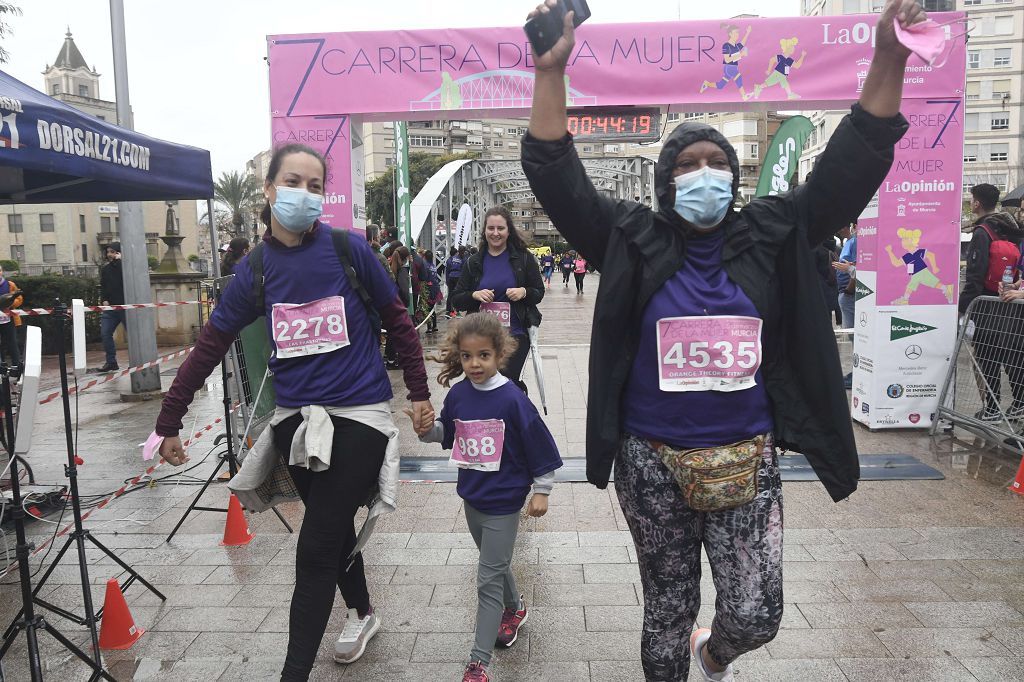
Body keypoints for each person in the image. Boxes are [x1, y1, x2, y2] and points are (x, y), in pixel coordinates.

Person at [521, 0, 922, 679]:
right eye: (686, 163)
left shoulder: (772, 230)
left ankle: (716, 653)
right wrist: (550, 72)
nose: (703, 173)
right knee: (666, 614)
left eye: (716, 162)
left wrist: (890, 56)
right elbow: (555, 172)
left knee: (758, 613)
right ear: (664, 178)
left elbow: (855, 159)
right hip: (651, 462)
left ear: (733, 177)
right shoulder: (629, 235)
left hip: (747, 460)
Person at [151, 143, 435, 680]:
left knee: (316, 544)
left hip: (361, 414)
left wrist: (418, 392)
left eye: (315, 186)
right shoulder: (255, 269)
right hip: (297, 423)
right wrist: (171, 417)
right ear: (269, 190)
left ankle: (293, 673)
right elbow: (211, 343)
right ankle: (363, 611)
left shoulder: (349, 250)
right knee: (334, 527)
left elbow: (399, 320)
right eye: (293, 182)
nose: (305, 194)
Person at [412, 313, 562, 682]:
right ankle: (516, 608)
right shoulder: (460, 393)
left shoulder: (513, 399)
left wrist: (542, 490)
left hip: (505, 502)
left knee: (487, 577)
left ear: (500, 354)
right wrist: (427, 430)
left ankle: (478, 664)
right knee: (494, 562)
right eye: (466, 356)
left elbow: (540, 445)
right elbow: (448, 433)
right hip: (472, 498)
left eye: (483, 356)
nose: (474, 364)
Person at [450, 207, 544, 394]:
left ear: (509, 231)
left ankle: (513, 415)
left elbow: (538, 292)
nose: (495, 233)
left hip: (515, 336)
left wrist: (523, 292)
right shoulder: (474, 262)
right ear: (484, 231)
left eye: (500, 228)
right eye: (491, 228)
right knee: (480, 386)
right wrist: (474, 295)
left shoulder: (524, 259)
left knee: (506, 385)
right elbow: (456, 299)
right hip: (480, 337)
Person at [959, 183, 1024, 422]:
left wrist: (966, 307)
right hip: (1010, 303)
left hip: (987, 303)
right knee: (1012, 355)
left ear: (976, 203)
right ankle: (1018, 403)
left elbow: (975, 274)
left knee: (987, 357)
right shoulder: (1012, 229)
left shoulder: (982, 232)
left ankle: (993, 407)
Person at [96, 242, 125, 373]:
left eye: (112, 252)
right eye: (108, 252)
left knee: (133, 334)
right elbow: (103, 286)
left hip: (125, 306)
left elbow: (125, 278)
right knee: (105, 333)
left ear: (118, 253)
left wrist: (120, 262)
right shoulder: (106, 269)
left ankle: (138, 361)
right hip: (111, 308)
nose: (109, 254)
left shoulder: (124, 267)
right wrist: (104, 299)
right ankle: (111, 362)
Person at [0, 265, 23, 371]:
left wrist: (11, 302)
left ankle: (17, 365)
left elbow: (19, 298)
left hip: (9, 319)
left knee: (12, 342)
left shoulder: (10, 285)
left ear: (2, 272)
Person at [445, 246, 465, 318]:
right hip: (458, 278)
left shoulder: (450, 259)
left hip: (450, 277)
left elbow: (447, 271)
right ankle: (457, 312)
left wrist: (447, 280)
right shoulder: (462, 259)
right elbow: (463, 271)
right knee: (457, 295)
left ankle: (448, 312)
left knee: (450, 294)